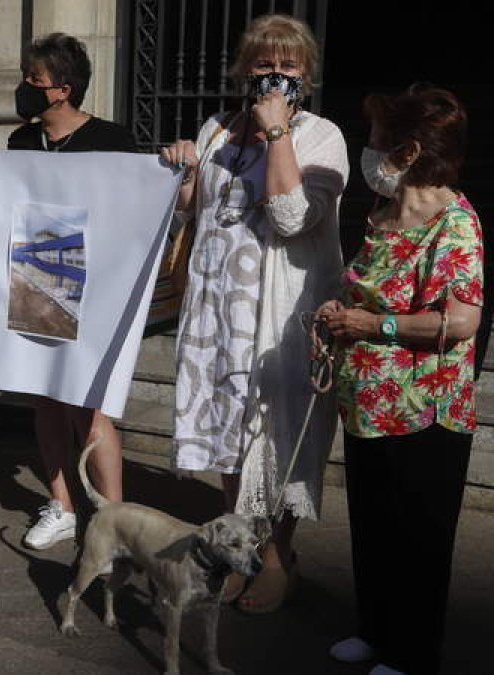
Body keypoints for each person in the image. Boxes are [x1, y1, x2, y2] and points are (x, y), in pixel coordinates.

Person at [159, 13, 347, 613]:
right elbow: (196, 212)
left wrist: (276, 134)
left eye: (288, 66)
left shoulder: (322, 137)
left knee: (278, 438)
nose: (274, 74)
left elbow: (293, 217)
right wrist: (186, 171)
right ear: (244, 70)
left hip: (279, 317)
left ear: (307, 76)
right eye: (264, 63)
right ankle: (240, 550)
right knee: (231, 439)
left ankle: (277, 559)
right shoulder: (216, 127)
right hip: (218, 316)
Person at [318, 85, 482, 675]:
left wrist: (372, 323)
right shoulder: (382, 216)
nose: (371, 152)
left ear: (408, 153)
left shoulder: (454, 224)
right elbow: (360, 290)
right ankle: (376, 630)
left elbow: (462, 321)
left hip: (425, 408)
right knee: (373, 524)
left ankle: (413, 653)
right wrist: (338, 315)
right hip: (367, 401)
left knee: (419, 538)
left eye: (379, 142)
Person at [0, 32, 133, 550]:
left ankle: (111, 518)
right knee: (44, 399)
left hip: (91, 288)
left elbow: (133, 213)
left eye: (34, 81)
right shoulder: (23, 142)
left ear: (63, 89)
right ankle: (62, 504)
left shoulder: (112, 140)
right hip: (34, 279)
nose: (25, 87)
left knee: (89, 405)